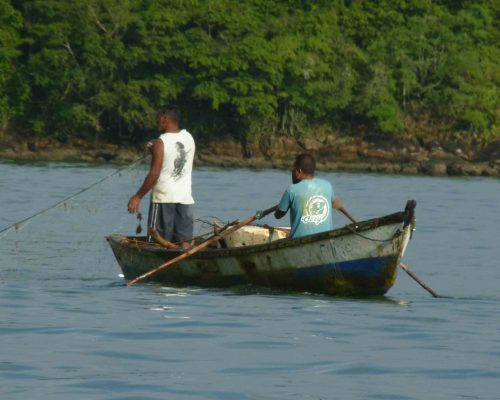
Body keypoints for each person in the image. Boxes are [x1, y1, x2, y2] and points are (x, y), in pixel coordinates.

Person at [127, 105, 195, 249]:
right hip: (185, 199)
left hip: (163, 198)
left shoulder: (160, 143)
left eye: (158, 118)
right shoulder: (188, 137)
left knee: (157, 242)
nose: (157, 122)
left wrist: (138, 196)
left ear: (165, 119)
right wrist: (155, 146)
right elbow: (171, 143)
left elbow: (154, 174)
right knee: (184, 243)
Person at [274, 153, 346, 238]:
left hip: (299, 242)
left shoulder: (292, 190)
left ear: (298, 171)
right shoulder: (327, 186)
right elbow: (335, 203)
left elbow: (277, 215)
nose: (292, 173)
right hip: (326, 239)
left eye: (293, 170)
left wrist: (284, 205)